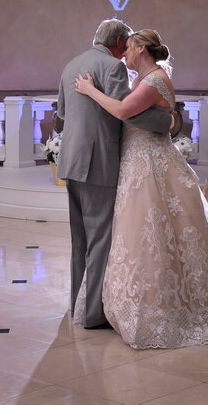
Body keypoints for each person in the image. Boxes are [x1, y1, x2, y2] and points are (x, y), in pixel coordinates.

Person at [74, 29, 208, 348]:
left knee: (155, 231)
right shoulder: (142, 79)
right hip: (138, 158)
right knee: (140, 233)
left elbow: (121, 112)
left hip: (151, 162)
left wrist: (90, 90)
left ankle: (163, 309)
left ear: (142, 48)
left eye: (129, 48)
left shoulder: (154, 80)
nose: (125, 54)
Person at [57, 19, 174, 330]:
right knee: (100, 240)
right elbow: (126, 112)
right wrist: (167, 122)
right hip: (99, 163)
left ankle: (76, 305)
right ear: (119, 43)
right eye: (125, 46)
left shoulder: (72, 64)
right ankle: (93, 313)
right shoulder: (113, 66)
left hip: (70, 162)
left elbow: (62, 114)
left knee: (79, 240)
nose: (125, 54)